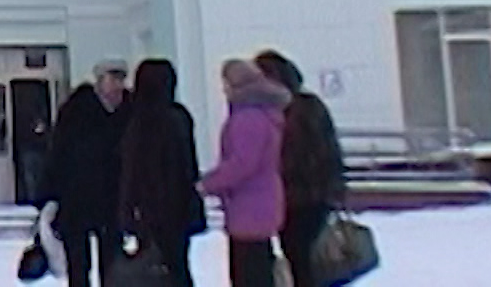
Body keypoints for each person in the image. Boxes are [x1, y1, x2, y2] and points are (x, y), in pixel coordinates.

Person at [254, 51, 345, 287]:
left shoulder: (279, 111)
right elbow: (330, 150)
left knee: (299, 257)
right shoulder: (312, 105)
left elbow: (286, 154)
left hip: (294, 195)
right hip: (316, 194)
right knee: (306, 259)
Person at [201, 58, 292, 287]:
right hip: (263, 202)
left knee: (248, 273)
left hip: (248, 206)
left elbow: (242, 163)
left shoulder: (247, 117)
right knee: (259, 267)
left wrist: (208, 183)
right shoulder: (266, 113)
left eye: (226, 82)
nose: (223, 89)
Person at [118, 59, 206, 287]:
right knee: (177, 266)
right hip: (178, 206)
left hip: (149, 207)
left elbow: (132, 169)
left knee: (152, 265)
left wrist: (127, 209)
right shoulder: (178, 117)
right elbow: (188, 166)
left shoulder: (137, 120)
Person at [46, 58, 132, 286]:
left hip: (114, 197)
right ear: (99, 81)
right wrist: (52, 194)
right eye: (112, 79)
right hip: (77, 197)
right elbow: (58, 152)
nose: (117, 85)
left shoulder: (129, 111)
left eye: (120, 79)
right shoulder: (76, 110)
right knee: (78, 264)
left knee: (113, 263)